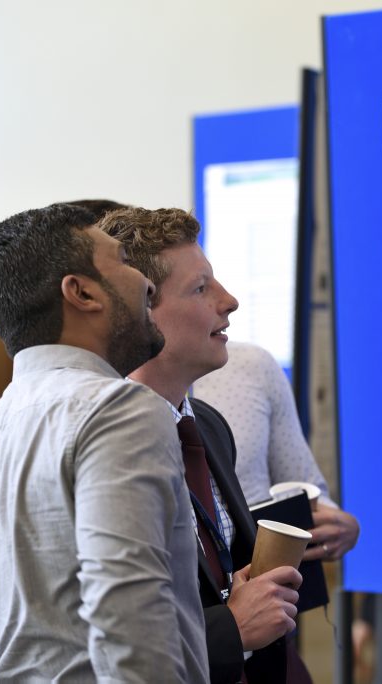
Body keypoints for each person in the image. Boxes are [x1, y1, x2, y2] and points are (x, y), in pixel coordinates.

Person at [0, 202, 208, 682]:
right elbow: (131, 627)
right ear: (81, 293)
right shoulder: (118, 411)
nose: (147, 283)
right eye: (122, 260)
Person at [99, 206, 304, 684]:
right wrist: (230, 630)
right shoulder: (98, 444)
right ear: (142, 308)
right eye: (200, 288)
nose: (229, 300)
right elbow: (103, 634)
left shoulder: (208, 426)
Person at [192, 340, 360, 562]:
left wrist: (339, 526)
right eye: (202, 300)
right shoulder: (134, 391)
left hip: (266, 578)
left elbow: (301, 488)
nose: (231, 304)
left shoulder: (252, 365)